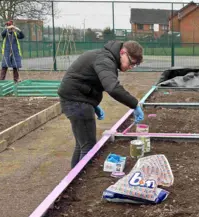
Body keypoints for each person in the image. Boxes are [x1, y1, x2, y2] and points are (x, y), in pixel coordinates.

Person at [58, 40, 145, 168]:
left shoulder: (105, 57)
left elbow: (86, 80)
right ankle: (81, 184)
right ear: (122, 52)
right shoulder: (105, 60)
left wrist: (92, 104)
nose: (130, 67)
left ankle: (72, 179)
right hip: (76, 101)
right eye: (131, 63)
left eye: (134, 65)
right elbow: (113, 88)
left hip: (76, 100)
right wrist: (134, 104)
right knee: (89, 147)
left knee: (82, 144)